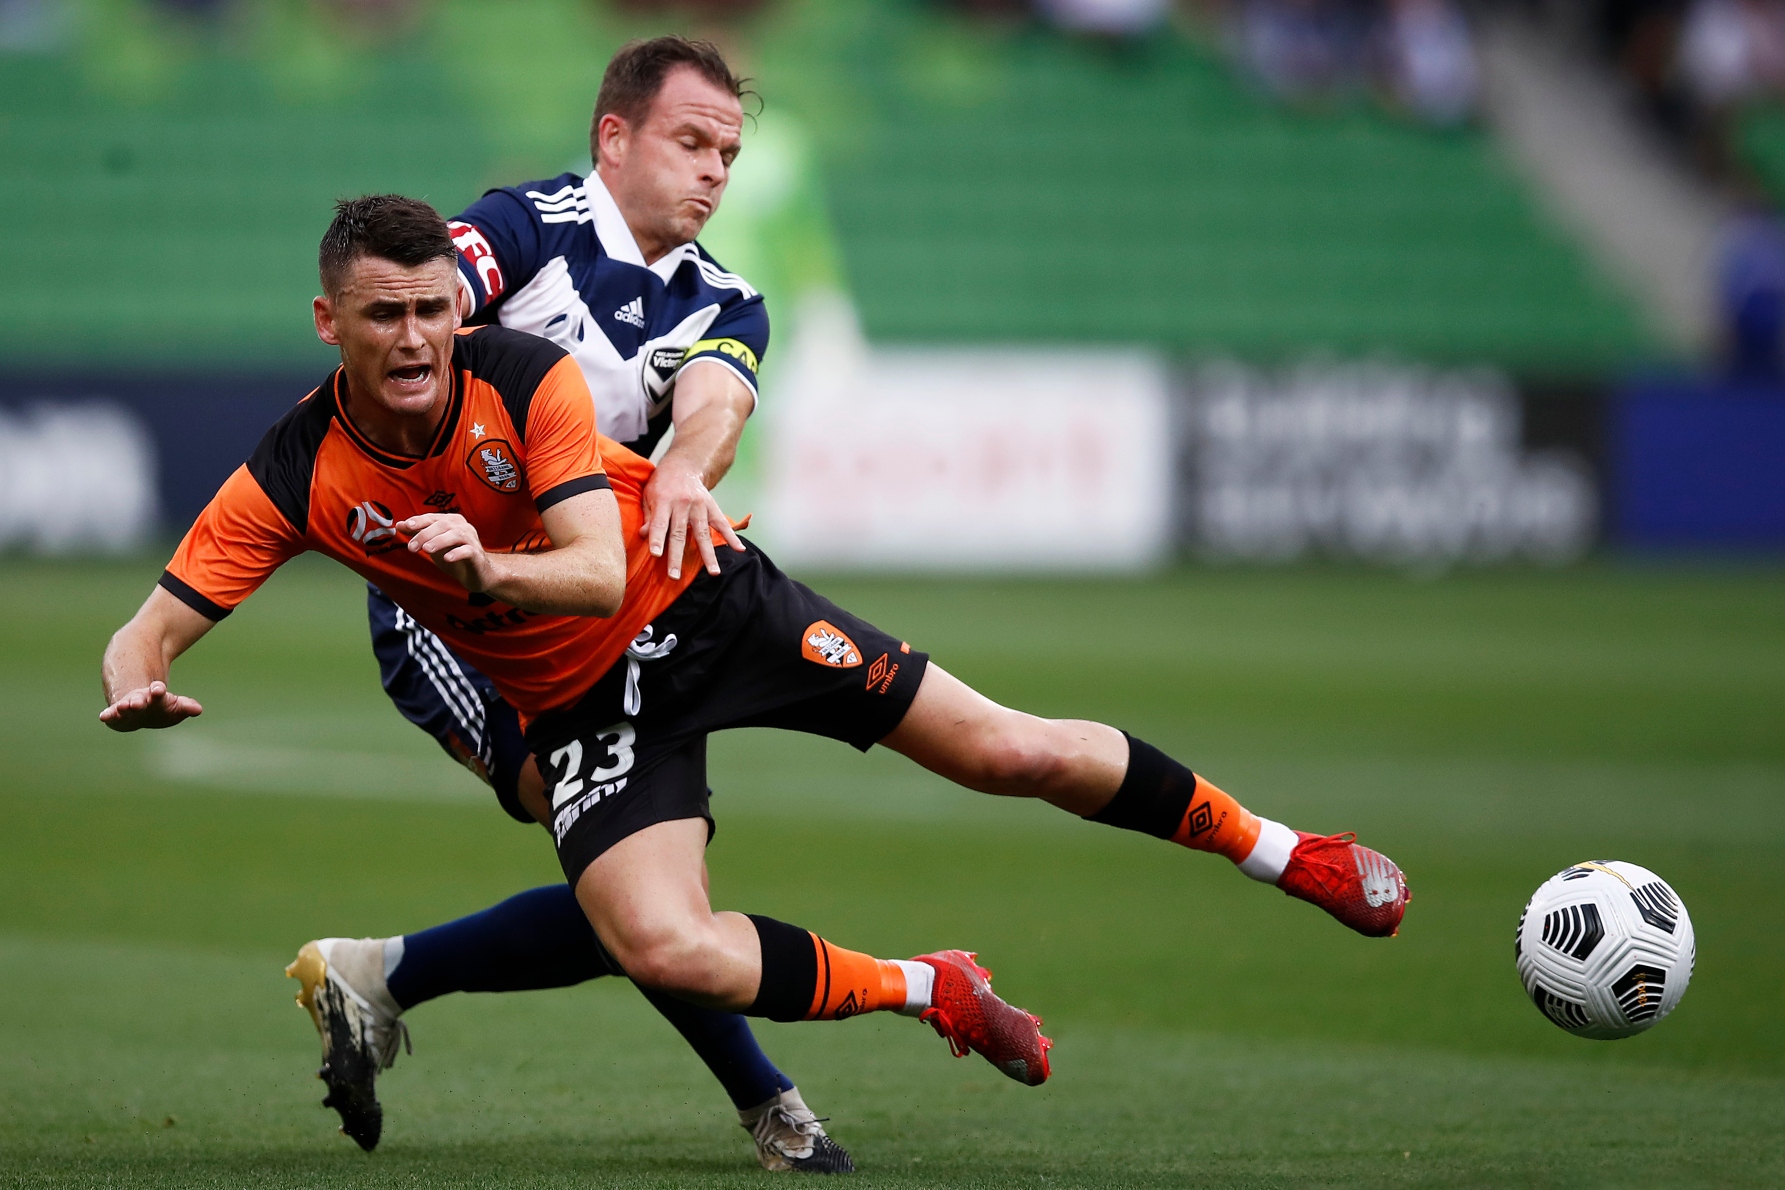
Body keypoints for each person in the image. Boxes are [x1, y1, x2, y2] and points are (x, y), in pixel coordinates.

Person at [100, 195, 1411, 1151]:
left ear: (462, 308)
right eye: (383, 314)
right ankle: (930, 986)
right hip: (588, 706)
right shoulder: (296, 469)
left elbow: (596, 572)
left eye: (433, 310)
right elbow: (153, 621)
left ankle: (1283, 850)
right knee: (664, 941)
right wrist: (135, 679)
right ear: (328, 321)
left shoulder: (523, 374)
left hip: (713, 606)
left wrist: (486, 568)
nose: (413, 338)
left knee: (1010, 750)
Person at [314, 39, 853, 1172]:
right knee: (617, 864)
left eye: (725, 153)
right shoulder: (529, 226)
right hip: (453, 606)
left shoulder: (720, 299)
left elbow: (714, 400)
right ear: (616, 137)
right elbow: (435, 292)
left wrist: (687, 468)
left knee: (636, 884)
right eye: (691, 142)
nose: (712, 171)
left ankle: (376, 975)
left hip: (599, 603)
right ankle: (767, 1098)